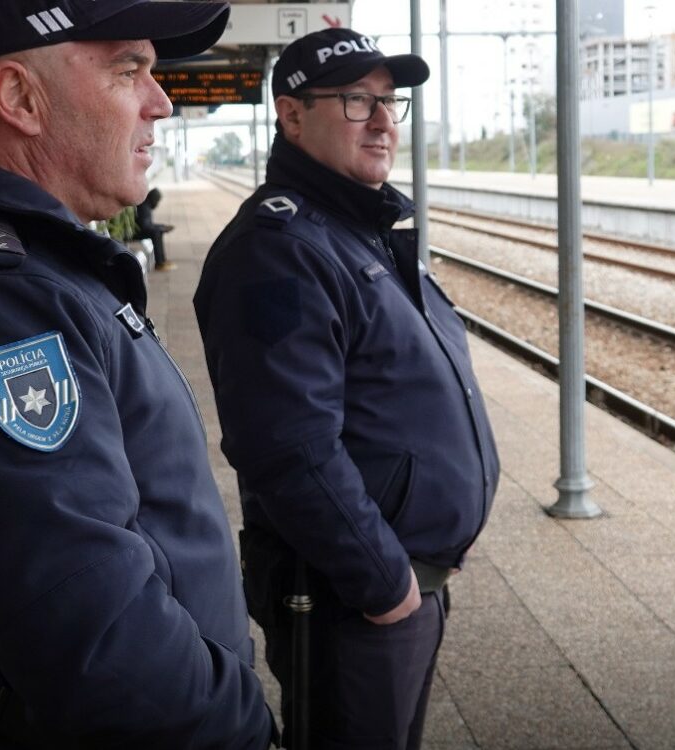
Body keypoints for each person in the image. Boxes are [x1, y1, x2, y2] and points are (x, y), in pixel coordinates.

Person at [0, 1, 273, 747]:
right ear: (19, 100)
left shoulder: (34, 273)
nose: (160, 101)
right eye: (128, 69)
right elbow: (101, 647)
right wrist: (241, 727)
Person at [194, 28, 501, 750]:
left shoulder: (354, 230)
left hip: (400, 583)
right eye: (357, 101)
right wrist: (386, 584)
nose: (385, 121)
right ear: (291, 114)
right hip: (349, 598)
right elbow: (288, 449)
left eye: (390, 102)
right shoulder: (279, 249)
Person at [134, 187, 176, 271]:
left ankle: (162, 260)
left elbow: (148, 225)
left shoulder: (147, 205)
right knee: (156, 232)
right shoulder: (144, 207)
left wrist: (162, 227)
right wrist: (161, 228)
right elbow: (145, 227)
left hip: (141, 229)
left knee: (158, 231)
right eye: (157, 201)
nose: (157, 203)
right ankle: (159, 263)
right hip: (135, 233)